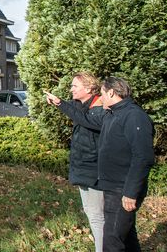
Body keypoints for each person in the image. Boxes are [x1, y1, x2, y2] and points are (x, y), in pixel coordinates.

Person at [49, 76, 154, 252]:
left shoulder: (134, 116)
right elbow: (84, 118)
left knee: (112, 241)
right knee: (126, 236)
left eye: (103, 94)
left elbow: (143, 157)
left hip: (123, 189)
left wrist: (130, 192)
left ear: (112, 92)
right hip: (112, 187)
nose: (100, 98)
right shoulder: (113, 114)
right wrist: (60, 104)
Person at [44, 72, 105, 252]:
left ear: (88, 88)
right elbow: (76, 110)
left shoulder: (99, 108)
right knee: (92, 213)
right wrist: (58, 102)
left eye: (74, 86)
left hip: (93, 171)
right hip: (85, 170)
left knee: (96, 216)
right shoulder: (85, 105)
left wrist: (61, 104)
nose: (71, 89)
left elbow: (84, 119)